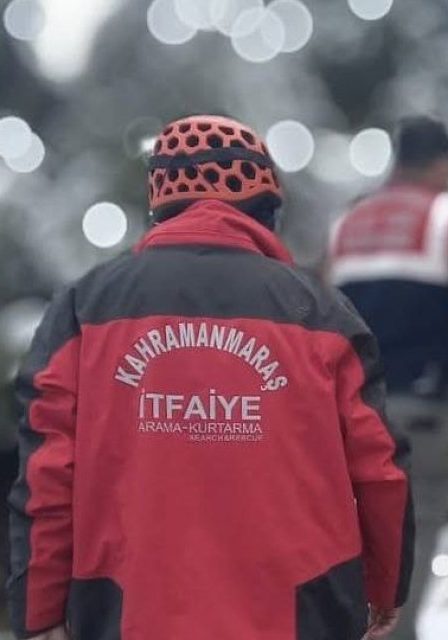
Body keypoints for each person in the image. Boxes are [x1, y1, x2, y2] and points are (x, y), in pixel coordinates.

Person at [8, 115, 413, 640]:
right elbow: (380, 472)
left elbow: (46, 475)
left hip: (125, 617)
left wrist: (38, 616)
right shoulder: (321, 314)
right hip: (301, 615)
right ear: (267, 209)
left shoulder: (86, 308)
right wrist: (384, 588)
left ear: (161, 207)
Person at [328, 116, 448, 639]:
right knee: (414, 528)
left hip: (349, 409)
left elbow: (321, 316)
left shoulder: (349, 222)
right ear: (445, 162)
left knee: (347, 530)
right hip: (425, 406)